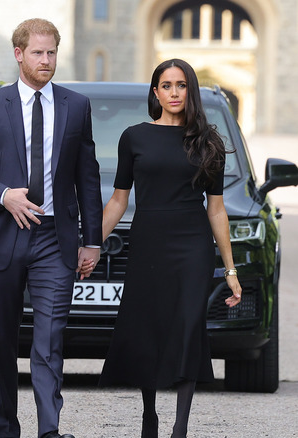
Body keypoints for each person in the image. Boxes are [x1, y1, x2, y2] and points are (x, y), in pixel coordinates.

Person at [0, 18, 102, 438]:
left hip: (55, 238)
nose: (46, 60)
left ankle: (49, 431)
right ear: (19, 54)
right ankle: (6, 429)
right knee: (0, 342)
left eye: (52, 52)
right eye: (38, 53)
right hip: (3, 233)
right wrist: (3, 195)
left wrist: (92, 241)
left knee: (50, 337)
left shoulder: (76, 105)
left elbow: (87, 178)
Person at [97, 59, 242, 438]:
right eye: (166, 85)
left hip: (192, 244)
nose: (174, 92)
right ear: (156, 92)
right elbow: (117, 201)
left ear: (190, 91)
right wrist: (90, 244)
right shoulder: (134, 137)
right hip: (148, 240)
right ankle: (150, 415)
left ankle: (180, 426)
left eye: (181, 85)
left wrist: (230, 270)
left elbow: (217, 209)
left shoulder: (209, 142)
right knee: (149, 324)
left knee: (188, 326)